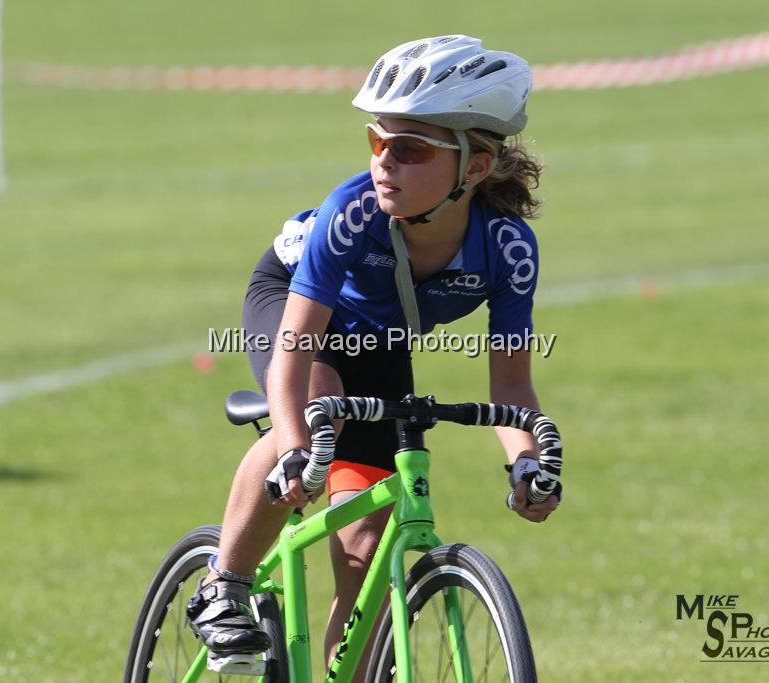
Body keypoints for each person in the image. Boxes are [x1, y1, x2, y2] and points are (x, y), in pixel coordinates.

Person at [189, 34, 562, 675]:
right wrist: (293, 446)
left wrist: (527, 463)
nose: (384, 162)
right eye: (377, 141)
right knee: (312, 420)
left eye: (410, 148)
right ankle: (225, 583)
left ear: (473, 168)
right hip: (296, 309)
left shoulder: (508, 249)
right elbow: (294, 357)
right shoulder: (351, 214)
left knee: (366, 563)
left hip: (378, 339)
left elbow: (511, 390)